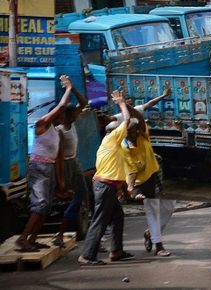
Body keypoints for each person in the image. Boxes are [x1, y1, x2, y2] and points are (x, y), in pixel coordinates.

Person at [15, 75, 72, 252]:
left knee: (46, 206)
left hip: (48, 167)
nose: (63, 117)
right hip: (39, 167)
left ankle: (32, 239)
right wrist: (68, 88)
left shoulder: (56, 131)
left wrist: (60, 182)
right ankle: (23, 238)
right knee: (39, 205)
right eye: (61, 114)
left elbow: (58, 158)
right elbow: (61, 106)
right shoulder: (43, 124)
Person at [78, 90, 134, 265]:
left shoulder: (109, 145)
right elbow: (126, 121)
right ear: (115, 133)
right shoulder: (112, 140)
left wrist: (124, 190)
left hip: (106, 186)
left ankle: (116, 251)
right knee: (100, 221)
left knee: (118, 216)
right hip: (105, 187)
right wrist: (121, 103)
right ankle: (87, 255)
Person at [122, 107, 173, 257]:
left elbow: (139, 117)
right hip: (142, 182)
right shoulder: (125, 148)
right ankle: (159, 246)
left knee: (169, 208)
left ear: (138, 130)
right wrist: (132, 189)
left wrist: (126, 106)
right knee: (152, 212)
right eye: (128, 133)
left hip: (156, 175)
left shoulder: (143, 136)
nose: (131, 135)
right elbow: (132, 171)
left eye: (133, 132)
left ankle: (150, 232)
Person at [52, 78, 90, 247]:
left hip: (74, 163)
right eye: (73, 114)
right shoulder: (59, 130)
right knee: (73, 196)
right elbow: (59, 157)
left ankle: (68, 230)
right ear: (65, 116)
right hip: (66, 165)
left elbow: (83, 103)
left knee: (82, 196)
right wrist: (61, 180)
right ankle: (60, 233)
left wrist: (73, 87)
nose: (76, 115)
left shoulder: (71, 124)